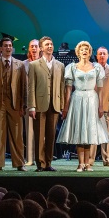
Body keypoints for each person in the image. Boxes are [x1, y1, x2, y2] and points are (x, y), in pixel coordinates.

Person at [57, 40, 109, 171]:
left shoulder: (96, 67)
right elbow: (68, 89)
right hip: (77, 99)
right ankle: (80, 163)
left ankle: (87, 163)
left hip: (92, 100)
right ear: (78, 52)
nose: (84, 51)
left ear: (90, 52)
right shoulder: (72, 67)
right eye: (82, 49)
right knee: (80, 131)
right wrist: (66, 106)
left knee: (89, 131)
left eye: (86, 49)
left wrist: (101, 106)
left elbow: (100, 89)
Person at [28, 35, 65, 172]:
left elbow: (61, 86)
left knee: (51, 135)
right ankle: (40, 163)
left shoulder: (60, 65)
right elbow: (31, 87)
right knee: (39, 135)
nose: (50, 46)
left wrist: (62, 105)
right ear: (41, 48)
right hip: (39, 104)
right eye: (47, 44)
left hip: (54, 104)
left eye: (51, 44)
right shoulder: (34, 65)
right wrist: (31, 106)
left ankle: (48, 162)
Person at [0, 36, 27, 171]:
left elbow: (24, 86)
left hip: (15, 104)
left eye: (10, 46)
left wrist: (23, 105)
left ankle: (19, 163)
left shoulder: (20, 64)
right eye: (5, 46)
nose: (8, 48)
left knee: (17, 135)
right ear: (0, 48)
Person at [87, 46, 109, 167]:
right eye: (100, 54)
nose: (102, 56)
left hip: (107, 106)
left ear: (108, 56)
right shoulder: (91, 69)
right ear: (96, 56)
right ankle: (90, 159)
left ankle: (108, 159)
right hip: (93, 106)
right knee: (92, 133)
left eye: (104, 54)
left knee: (107, 135)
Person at [23, 38, 41, 167]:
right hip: (28, 100)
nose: (34, 48)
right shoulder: (23, 64)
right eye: (32, 46)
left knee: (41, 131)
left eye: (36, 46)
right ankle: (30, 158)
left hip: (41, 100)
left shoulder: (43, 63)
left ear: (40, 49)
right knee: (29, 131)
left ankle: (41, 158)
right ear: (29, 49)